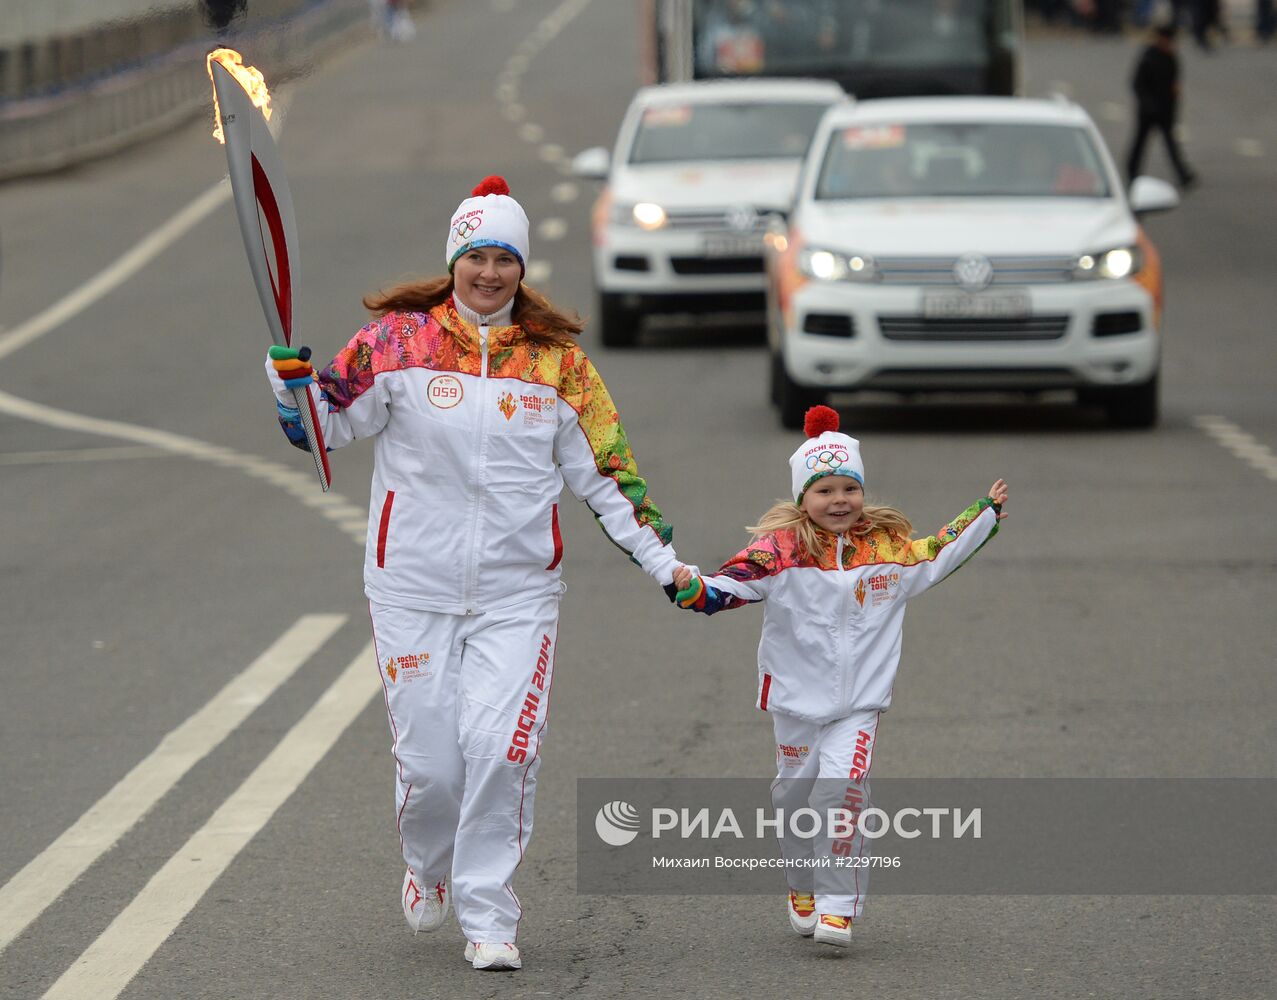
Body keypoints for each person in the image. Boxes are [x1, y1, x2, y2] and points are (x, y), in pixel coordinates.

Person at [265, 176, 683, 971]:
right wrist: (289, 388)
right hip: (411, 587)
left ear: (521, 269)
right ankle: (428, 867)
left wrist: (667, 567)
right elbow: (323, 428)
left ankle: (489, 914)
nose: (489, 273)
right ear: (453, 260)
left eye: (504, 259)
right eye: (476, 257)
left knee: (504, 751)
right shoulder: (395, 343)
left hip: (516, 593)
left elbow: (609, 474)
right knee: (430, 766)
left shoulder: (559, 367)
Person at [671, 405, 1007, 948]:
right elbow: (732, 583)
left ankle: (837, 908)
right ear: (803, 497)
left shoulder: (888, 552)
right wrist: (697, 591)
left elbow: (938, 552)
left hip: (859, 704)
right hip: (795, 702)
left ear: (862, 492)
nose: (838, 500)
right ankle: (801, 886)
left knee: (843, 792)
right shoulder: (780, 551)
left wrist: (982, 514)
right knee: (792, 802)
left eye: (848, 488)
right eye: (824, 490)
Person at [1126, 23, 1197, 188]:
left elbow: (1175, 86)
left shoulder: (1171, 58)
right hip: (1148, 112)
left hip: (1165, 111)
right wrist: (1148, 104)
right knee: (1140, 143)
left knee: (1171, 145)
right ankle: (1131, 172)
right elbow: (1137, 85)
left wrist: (1174, 109)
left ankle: (1183, 174)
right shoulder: (1148, 58)